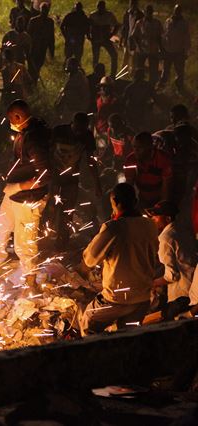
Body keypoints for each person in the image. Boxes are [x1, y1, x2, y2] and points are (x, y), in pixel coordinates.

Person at [0, 100, 51, 289]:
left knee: (25, 241)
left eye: (10, 120)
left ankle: (30, 282)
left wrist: (21, 186)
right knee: (0, 229)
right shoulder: (27, 132)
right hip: (14, 193)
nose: (11, 124)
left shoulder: (35, 139)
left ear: (17, 117)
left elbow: (45, 175)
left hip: (28, 199)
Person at [80, 183, 158, 335]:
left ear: (114, 201)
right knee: (129, 337)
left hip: (116, 299)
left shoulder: (114, 228)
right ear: (135, 201)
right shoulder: (150, 225)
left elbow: (90, 259)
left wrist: (110, 226)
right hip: (142, 297)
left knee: (88, 323)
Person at [50, 112, 102, 249]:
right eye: (77, 129)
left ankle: (62, 240)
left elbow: (91, 161)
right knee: (50, 206)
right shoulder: (59, 131)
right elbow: (45, 151)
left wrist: (97, 183)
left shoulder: (87, 136)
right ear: (72, 123)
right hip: (53, 177)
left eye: (82, 130)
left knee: (67, 209)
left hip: (71, 178)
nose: (79, 133)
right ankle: (48, 234)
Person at [148, 201, 197, 318]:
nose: (153, 219)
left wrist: (151, 283)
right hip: (194, 286)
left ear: (168, 218)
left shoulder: (165, 238)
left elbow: (172, 275)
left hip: (182, 294)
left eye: (157, 216)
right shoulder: (183, 230)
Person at [124, 132, 173, 209]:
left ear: (149, 147)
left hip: (160, 197)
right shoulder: (131, 159)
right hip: (143, 198)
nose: (135, 151)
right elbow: (129, 184)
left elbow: (166, 187)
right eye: (134, 147)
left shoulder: (163, 159)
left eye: (139, 148)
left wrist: (162, 207)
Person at [130, 5, 163, 85]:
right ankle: (138, 84)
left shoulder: (157, 23)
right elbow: (134, 36)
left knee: (153, 70)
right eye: (147, 12)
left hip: (153, 49)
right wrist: (138, 47)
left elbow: (160, 36)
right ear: (145, 12)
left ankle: (151, 86)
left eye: (150, 12)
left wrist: (161, 49)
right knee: (139, 69)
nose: (149, 14)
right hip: (142, 50)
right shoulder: (140, 22)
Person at [161, 4, 190, 92]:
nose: (177, 12)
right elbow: (164, 35)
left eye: (179, 10)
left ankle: (179, 88)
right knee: (165, 70)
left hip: (179, 52)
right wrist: (162, 48)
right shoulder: (168, 21)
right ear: (174, 10)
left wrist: (186, 52)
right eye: (176, 10)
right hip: (168, 51)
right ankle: (162, 87)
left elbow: (187, 38)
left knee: (179, 72)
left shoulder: (184, 23)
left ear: (181, 12)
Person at [88, 1, 119, 77]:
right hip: (96, 39)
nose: (100, 9)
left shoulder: (109, 15)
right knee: (96, 57)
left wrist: (111, 34)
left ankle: (113, 75)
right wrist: (89, 36)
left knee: (114, 55)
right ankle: (96, 74)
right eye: (99, 7)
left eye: (102, 7)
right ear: (97, 7)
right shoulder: (93, 15)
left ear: (104, 7)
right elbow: (88, 26)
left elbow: (117, 25)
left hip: (106, 39)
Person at [56, 57, 89, 124]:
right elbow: (65, 91)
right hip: (68, 107)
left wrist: (82, 111)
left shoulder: (81, 79)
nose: (68, 68)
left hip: (76, 109)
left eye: (70, 66)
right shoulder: (70, 76)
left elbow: (85, 96)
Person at [27, 2, 54, 82]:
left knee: (38, 67)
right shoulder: (33, 21)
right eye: (43, 10)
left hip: (42, 48)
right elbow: (28, 35)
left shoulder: (50, 22)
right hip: (33, 48)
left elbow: (51, 37)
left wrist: (51, 50)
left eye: (46, 10)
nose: (45, 12)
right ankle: (31, 83)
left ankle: (33, 83)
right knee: (31, 68)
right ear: (40, 10)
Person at [120, 0, 143, 71]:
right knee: (126, 56)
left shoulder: (140, 14)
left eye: (134, 3)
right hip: (128, 37)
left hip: (135, 38)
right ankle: (124, 72)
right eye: (132, 3)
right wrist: (122, 39)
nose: (133, 5)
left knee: (134, 57)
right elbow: (124, 27)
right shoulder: (127, 13)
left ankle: (133, 72)